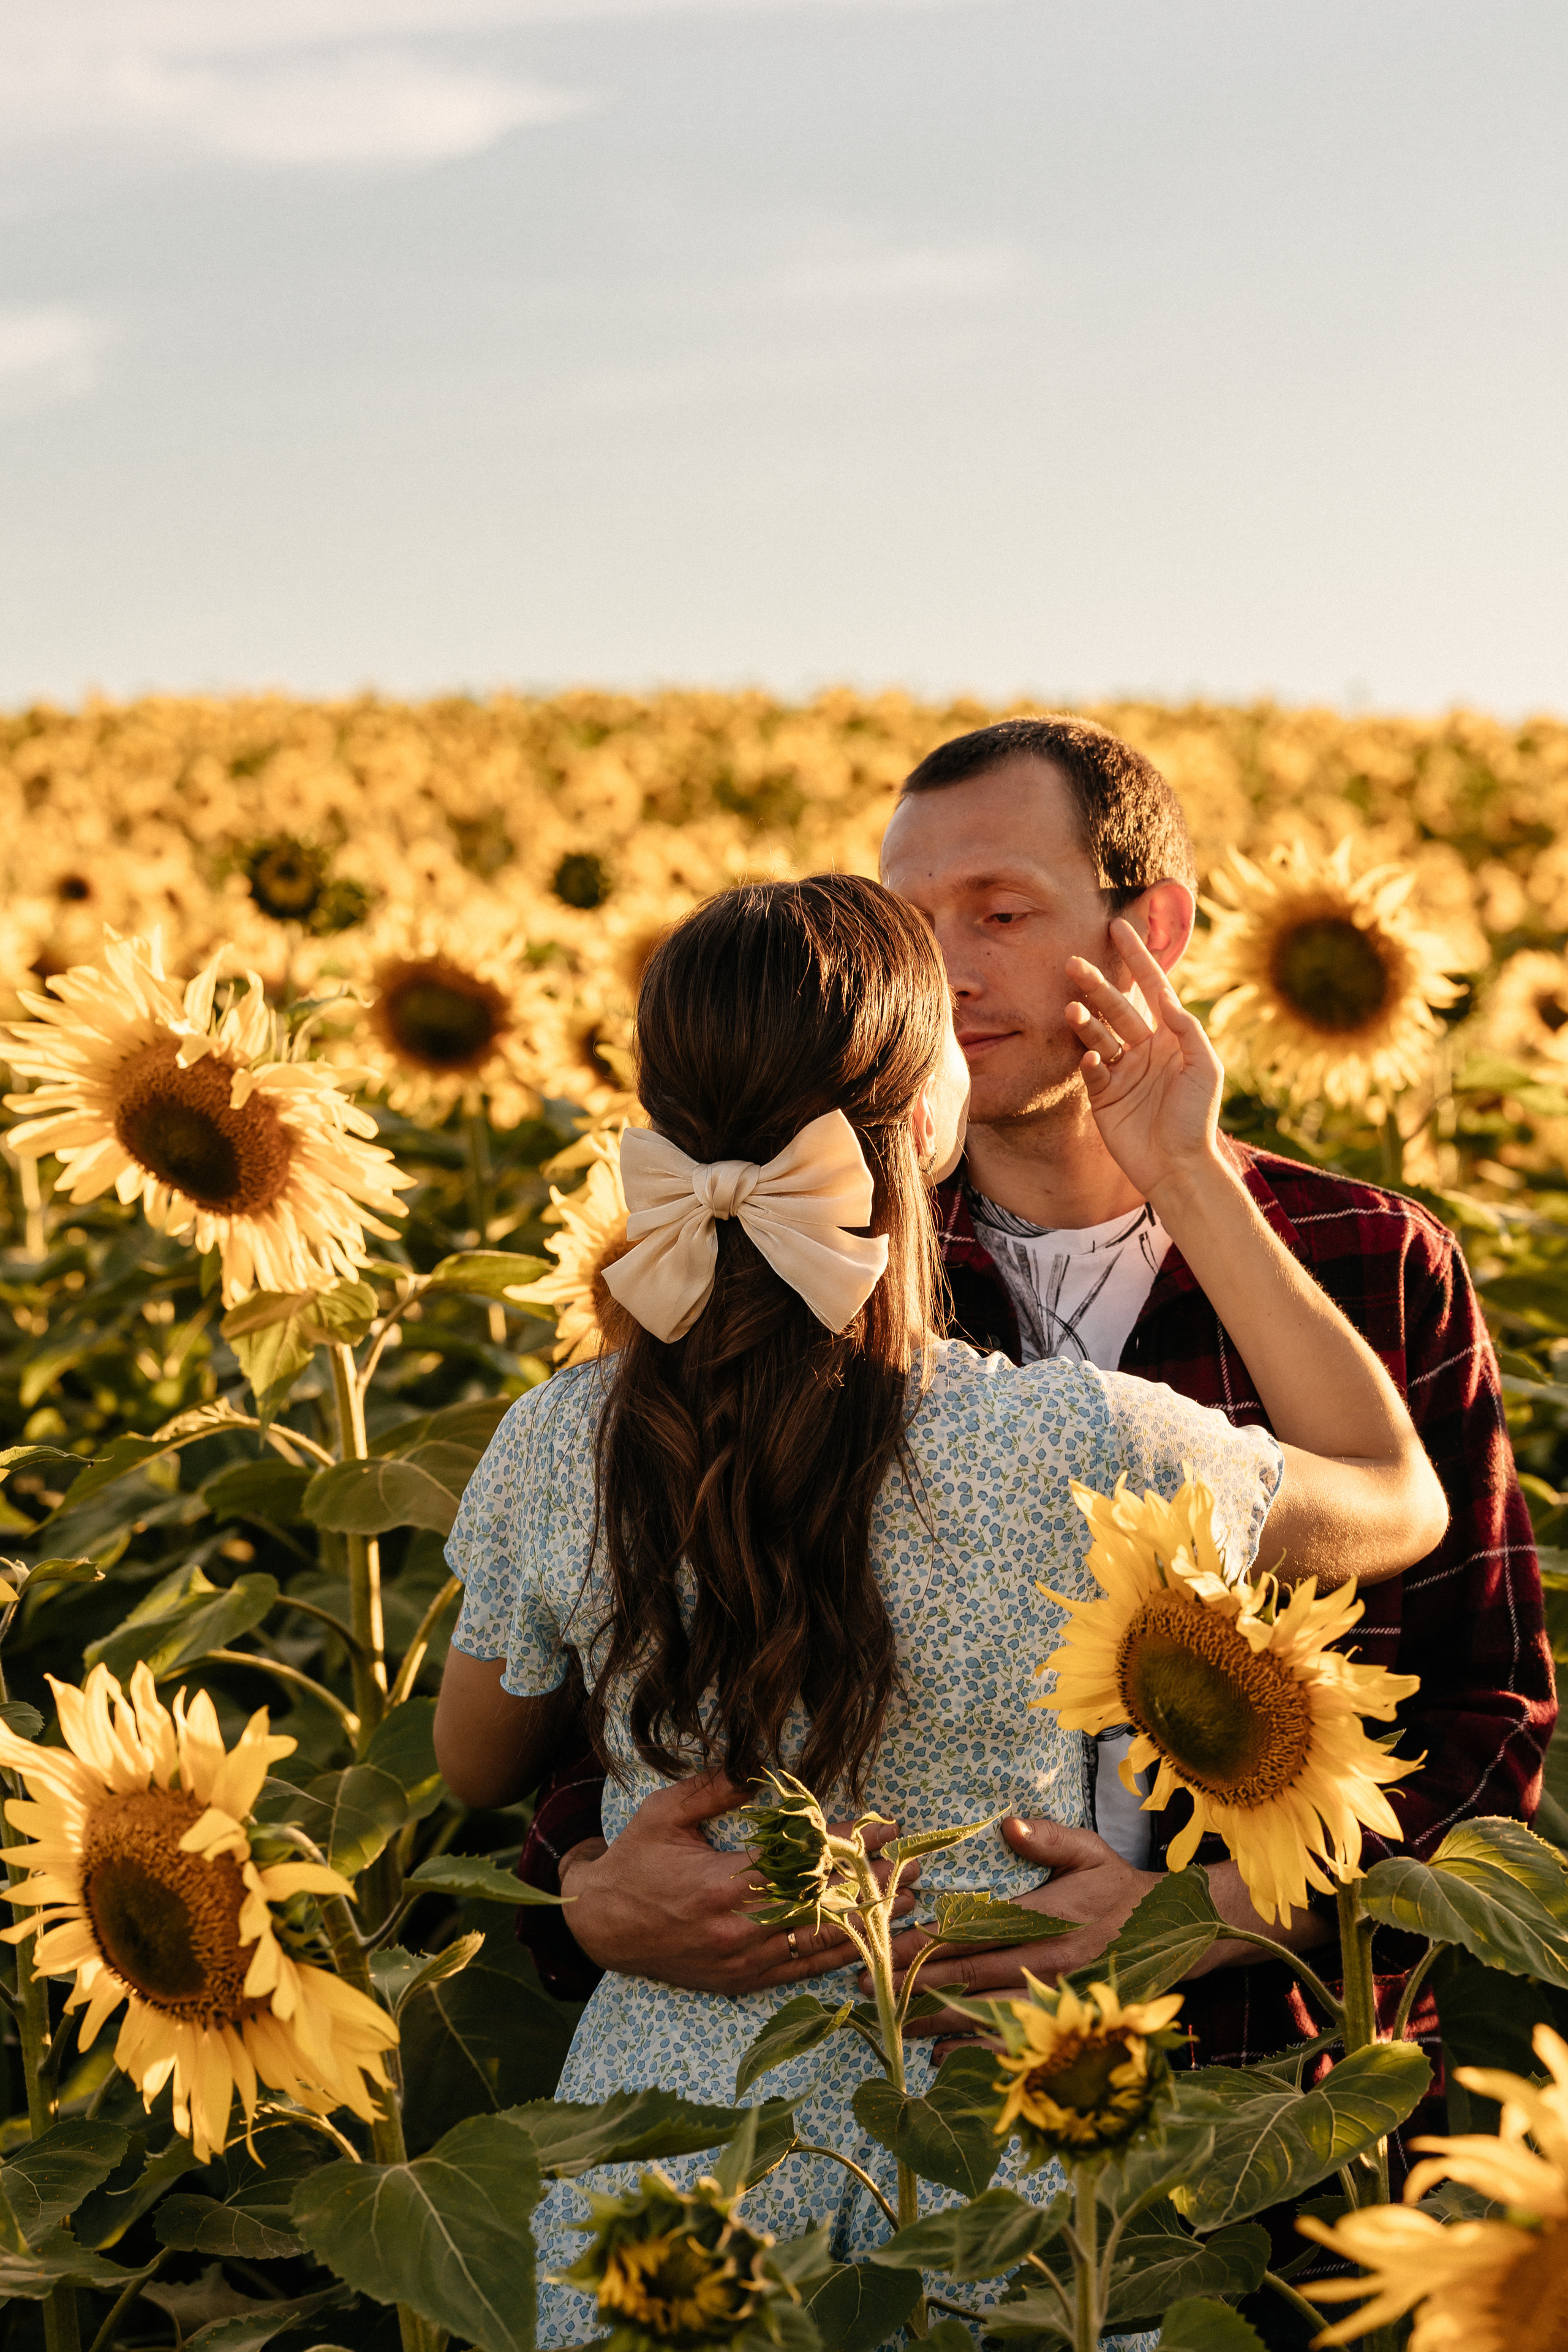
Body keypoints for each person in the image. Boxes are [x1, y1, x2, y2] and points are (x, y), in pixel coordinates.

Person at [435, 872, 1447, 2346]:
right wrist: (1188, 1168)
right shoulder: (1088, 1443)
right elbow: (1393, 1492)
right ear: (926, 1123)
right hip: (998, 2141)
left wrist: (606, 1852)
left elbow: (474, 1764)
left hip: (667, 2168)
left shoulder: (556, 1441)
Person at [513, 720, 1557, 2098]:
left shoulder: (1361, 1259)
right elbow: (611, 1650)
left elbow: (1482, 1713)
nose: (945, 971)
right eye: (910, 924)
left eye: (999, 913)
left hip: (1260, 2086)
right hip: (878, 2113)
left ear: (1155, 931)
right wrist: (584, 1885)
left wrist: (1207, 1926)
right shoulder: (819, 1276)